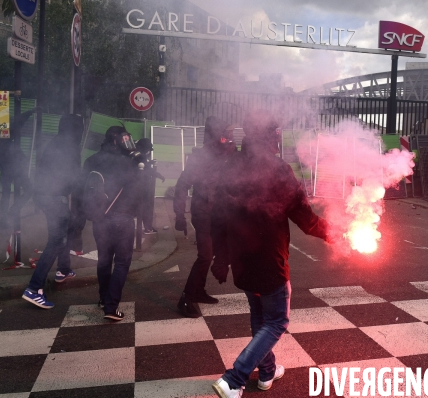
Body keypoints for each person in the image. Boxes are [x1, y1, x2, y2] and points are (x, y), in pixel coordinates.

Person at [210, 110, 331, 397]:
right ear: (268, 135)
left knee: (259, 316)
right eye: (275, 132)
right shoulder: (277, 169)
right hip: (269, 258)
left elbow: (219, 216)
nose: (278, 137)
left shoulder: (231, 166)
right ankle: (234, 378)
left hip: (242, 258)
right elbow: (303, 215)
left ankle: (267, 372)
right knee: (277, 321)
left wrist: (221, 258)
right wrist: (334, 233)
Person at [174, 116, 236, 318]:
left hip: (220, 214)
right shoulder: (199, 157)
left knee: (218, 253)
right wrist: (179, 214)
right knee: (205, 256)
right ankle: (186, 298)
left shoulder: (228, 154)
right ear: (215, 134)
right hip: (203, 213)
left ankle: (198, 290)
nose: (229, 136)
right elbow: (183, 185)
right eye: (225, 133)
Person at [22, 114, 84, 309]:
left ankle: (63, 270)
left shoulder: (55, 142)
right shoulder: (70, 147)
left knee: (64, 232)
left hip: (45, 195)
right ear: (76, 130)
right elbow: (73, 176)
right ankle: (34, 288)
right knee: (57, 240)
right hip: (53, 197)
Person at [82, 126, 142, 321]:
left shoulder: (91, 160)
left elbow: (81, 188)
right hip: (122, 218)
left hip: (100, 218)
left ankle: (102, 298)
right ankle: (111, 306)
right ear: (117, 140)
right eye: (125, 138)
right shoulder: (129, 162)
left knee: (104, 260)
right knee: (122, 262)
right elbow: (137, 192)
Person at [135, 138, 165, 234]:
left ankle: (147, 227)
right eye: (148, 150)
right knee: (146, 207)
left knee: (142, 207)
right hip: (143, 187)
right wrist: (159, 175)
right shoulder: (140, 156)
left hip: (137, 186)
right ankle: (148, 228)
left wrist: (150, 163)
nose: (149, 152)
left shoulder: (137, 154)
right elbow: (147, 170)